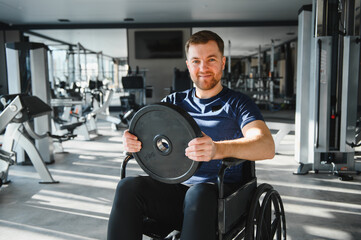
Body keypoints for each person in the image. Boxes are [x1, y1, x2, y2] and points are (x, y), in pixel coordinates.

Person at [107, 30, 275, 240]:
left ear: (223, 63)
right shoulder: (174, 102)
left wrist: (217, 149)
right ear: (188, 66)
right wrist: (132, 142)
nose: (203, 68)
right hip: (176, 193)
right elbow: (150, 138)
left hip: (221, 196)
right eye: (196, 61)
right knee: (128, 187)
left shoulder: (238, 104)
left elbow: (266, 146)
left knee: (199, 193)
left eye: (211, 60)